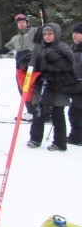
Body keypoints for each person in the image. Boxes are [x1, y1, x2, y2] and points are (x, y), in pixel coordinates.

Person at [27, 23, 76, 151]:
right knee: (38, 111)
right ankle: (35, 138)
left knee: (57, 113)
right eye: (45, 34)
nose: (47, 36)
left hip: (58, 85)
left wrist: (55, 60)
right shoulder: (39, 47)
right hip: (42, 84)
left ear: (56, 34)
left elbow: (69, 63)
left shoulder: (62, 47)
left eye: (50, 34)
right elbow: (33, 64)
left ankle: (60, 142)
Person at [0, 13, 40, 120]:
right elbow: (4, 49)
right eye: (19, 23)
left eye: (23, 22)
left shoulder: (33, 31)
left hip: (32, 65)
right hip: (20, 67)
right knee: (22, 89)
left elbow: (45, 28)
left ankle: (38, 111)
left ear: (27, 23)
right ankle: (30, 112)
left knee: (33, 89)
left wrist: (43, 13)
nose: (21, 24)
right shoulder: (15, 38)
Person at [69, 23, 82, 146]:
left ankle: (77, 138)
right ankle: (76, 136)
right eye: (73, 33)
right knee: (74, 112)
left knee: (76, 112)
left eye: (77, 33)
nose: (74, 35)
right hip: (75, 85)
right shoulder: (73, 48)